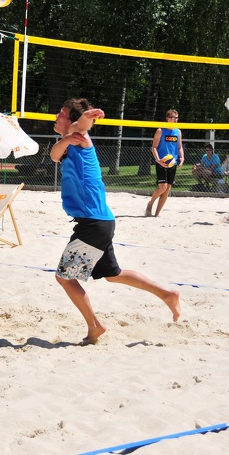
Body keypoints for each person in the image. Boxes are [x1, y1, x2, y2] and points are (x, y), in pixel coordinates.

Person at [50, 98, 181, 345]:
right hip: (99, 221)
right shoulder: (68, 143)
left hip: (92, 224)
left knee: (65, 277)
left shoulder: (80, 136)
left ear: (72, 121)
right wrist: (66, 139)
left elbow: (83, 124)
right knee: (113, 274)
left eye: (61, 113)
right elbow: (54, 154)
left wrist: (88, 115)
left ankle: (95, 326)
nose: (56, 115)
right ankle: (167, 294)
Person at [145, 109, 184, 217]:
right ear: (167, 118)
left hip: (173, 163)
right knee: (162, 187)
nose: (175, 120)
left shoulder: (178, 131)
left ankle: (157, 214)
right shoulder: (160, 131)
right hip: (162, 162)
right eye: (173, 117)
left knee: (167, 189)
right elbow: (154, 147)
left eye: (176, 117)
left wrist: (182, 157)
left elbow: (179, 147)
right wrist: (158, 160)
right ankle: (150, 203)